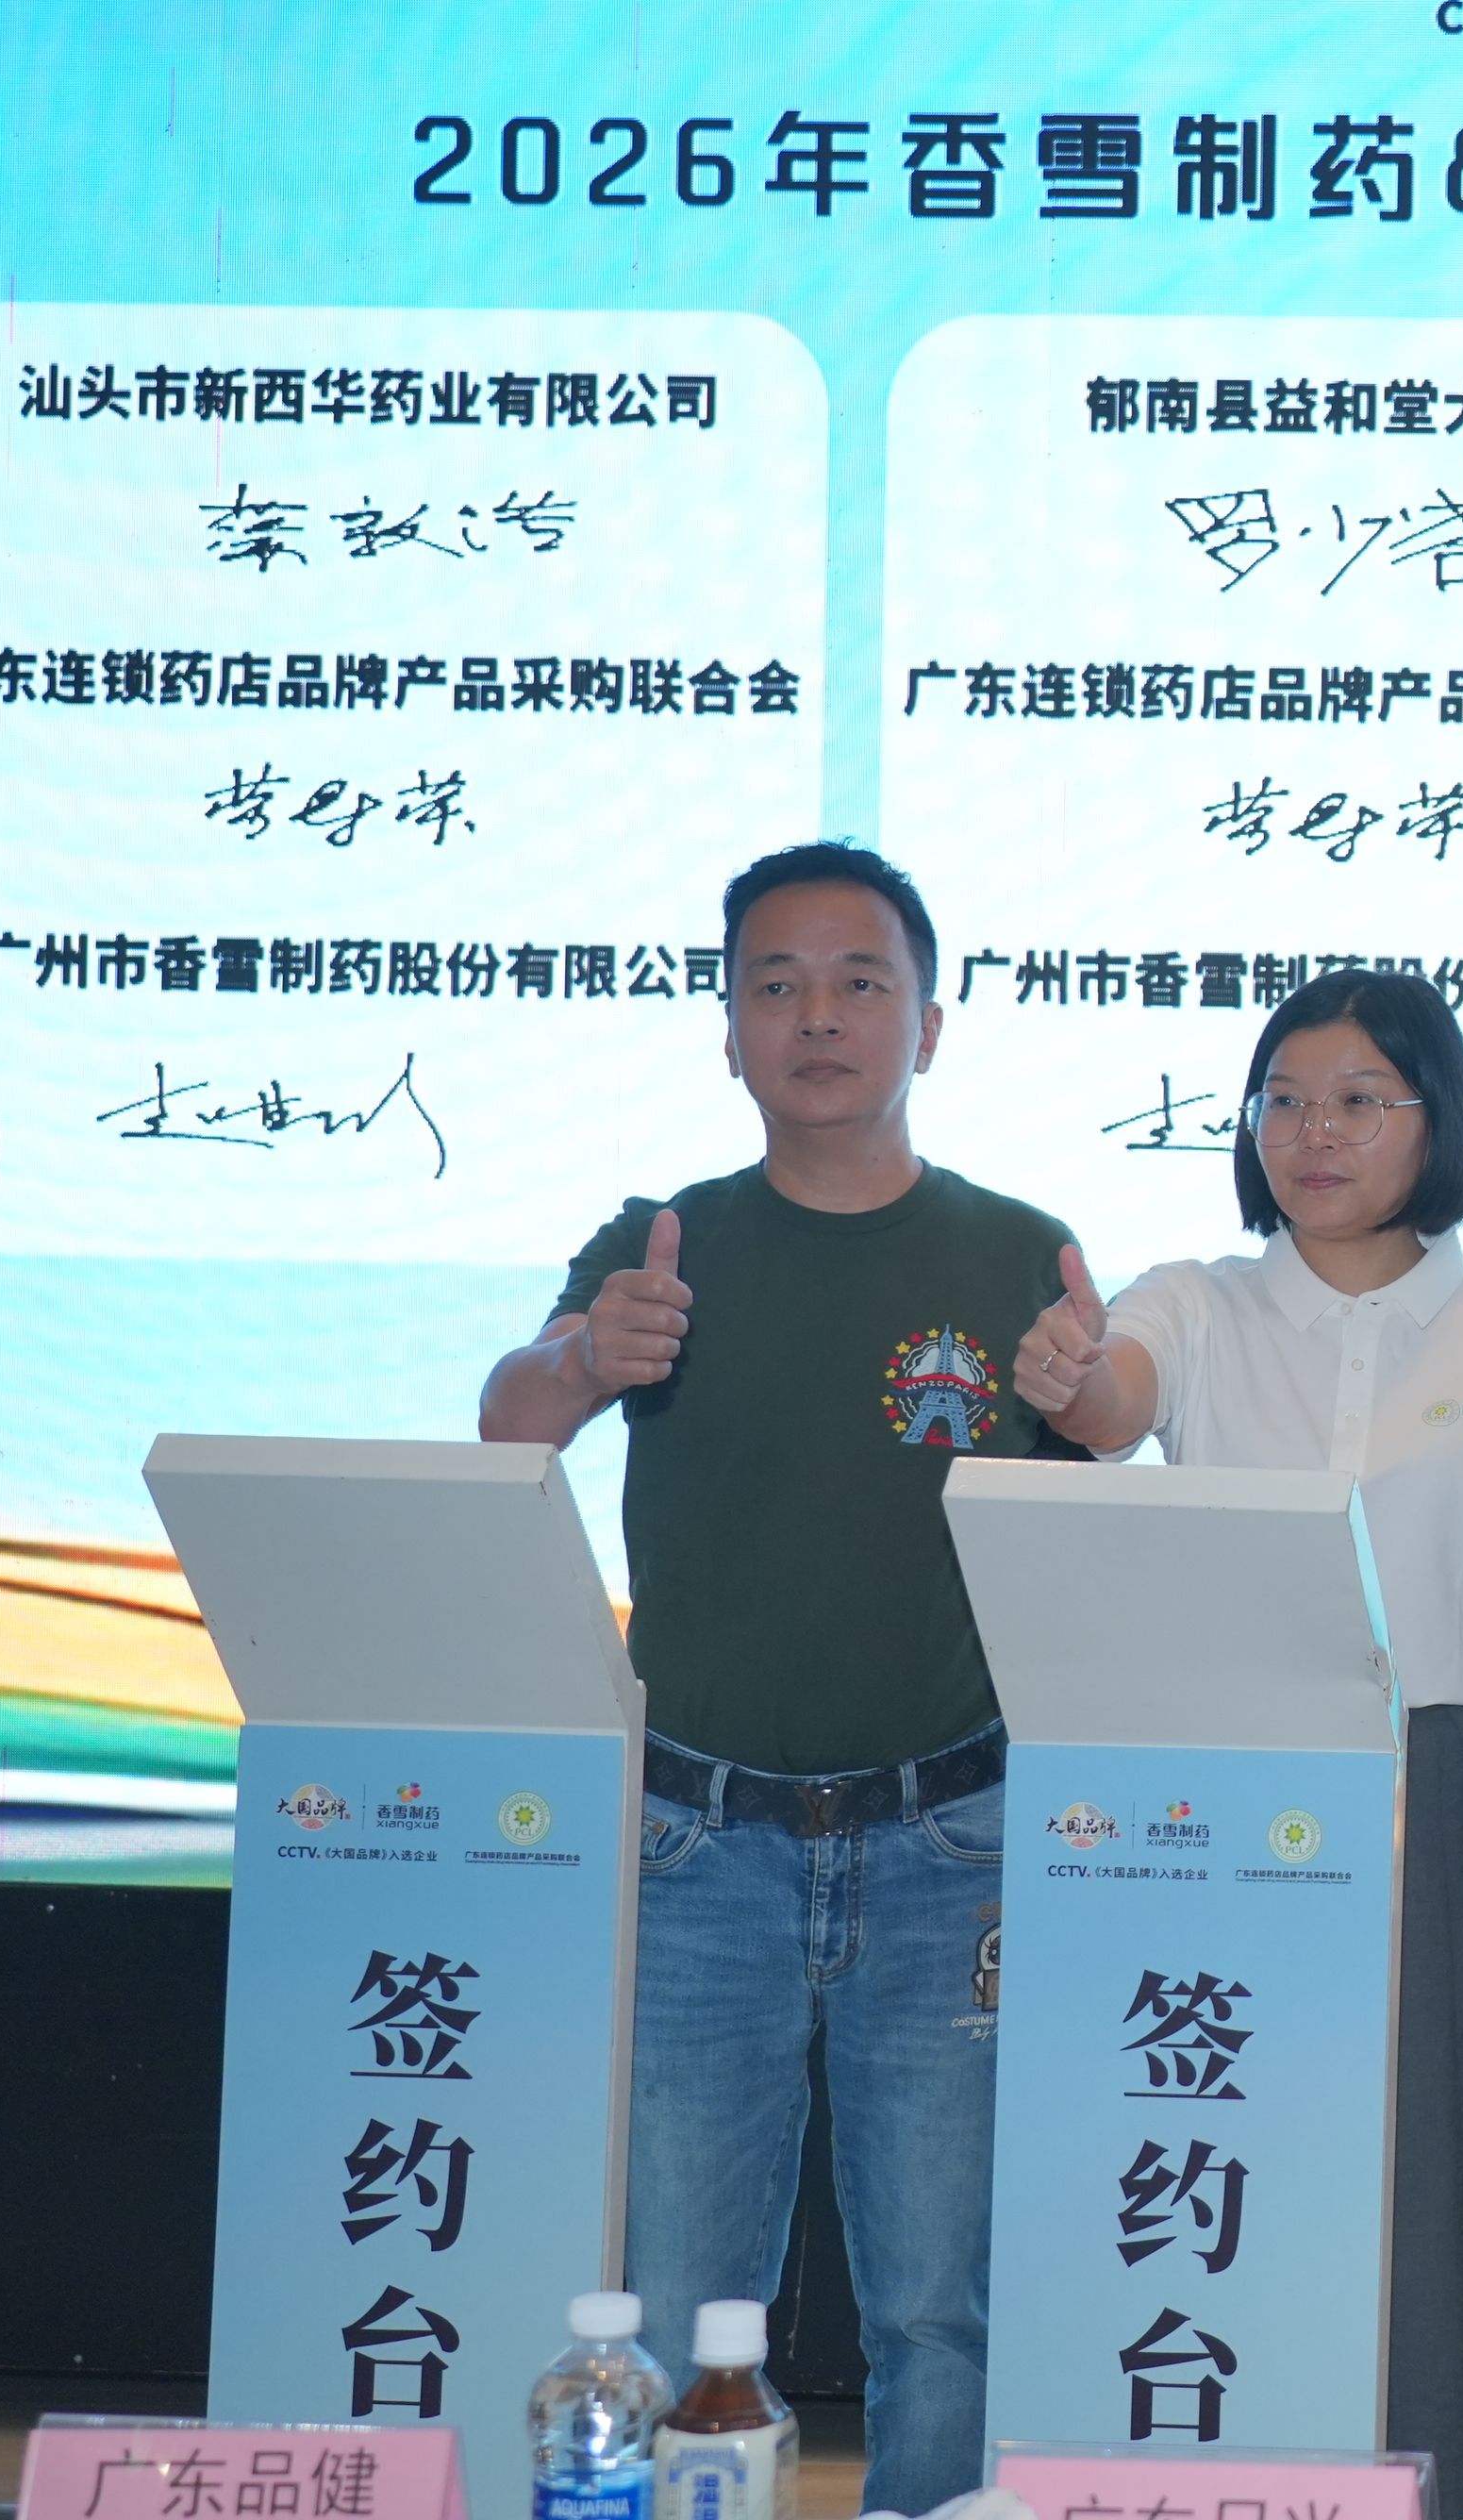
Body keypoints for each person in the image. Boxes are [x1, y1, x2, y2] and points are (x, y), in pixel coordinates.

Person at [476, 841, 1078, 2512]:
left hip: (951, 1842)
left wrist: (1097, 1392)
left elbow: (1097, 1492)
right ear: (729, 1029)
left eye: (861, 983)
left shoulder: (1017, 1252)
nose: (819, 1017)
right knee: (673, 2301)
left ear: (929, 1025)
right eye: (777, 985)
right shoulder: (664, 1243)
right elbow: (511, 1419)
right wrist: (586, 1356)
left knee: (945, 2309)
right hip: (697, 1847)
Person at [1017, 967, 1463, 2520]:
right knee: (1239, 2147)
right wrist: (1073, 1380)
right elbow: (1112, 1405)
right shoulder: (1197, 1301)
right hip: (1233, 1805)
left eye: (1362, 1100)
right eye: (1285, 1101)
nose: (1316, 1132)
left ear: (1439, 1123)